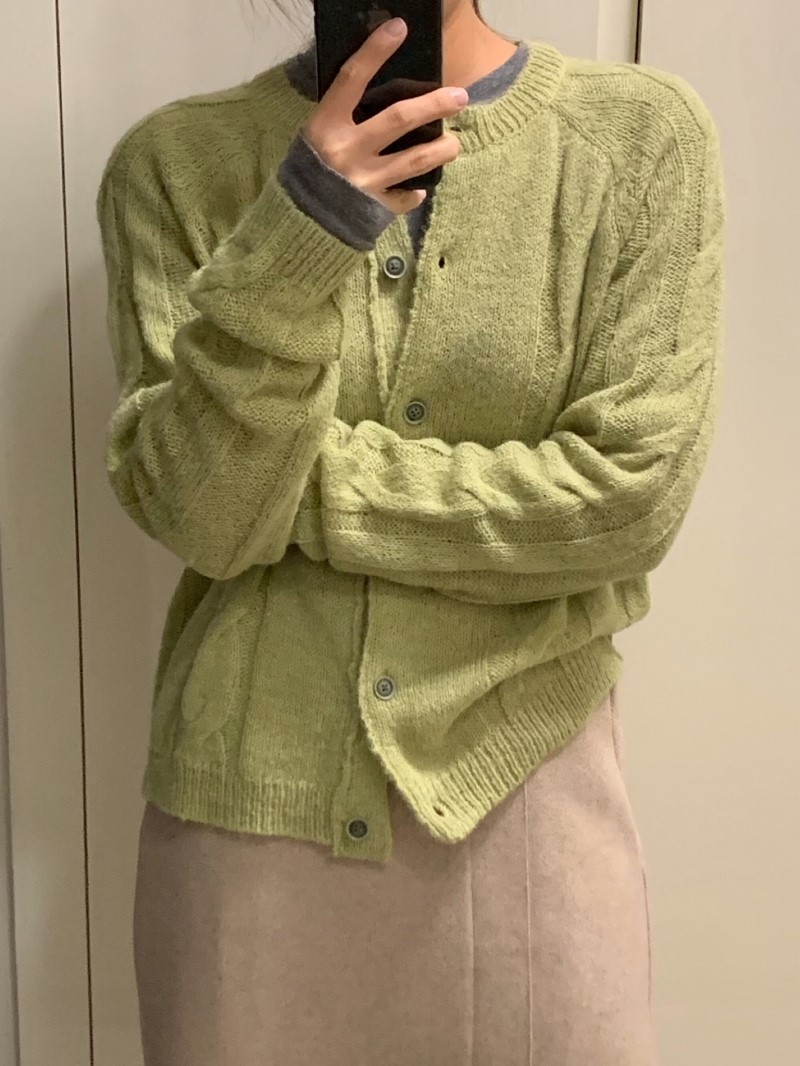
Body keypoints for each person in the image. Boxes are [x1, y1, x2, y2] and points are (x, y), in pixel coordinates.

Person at [95, 0, 726, 1063]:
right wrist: (299, 230)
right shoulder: (172, 166)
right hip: (252, 824)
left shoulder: (640, 138)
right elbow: (203, 511)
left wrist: (299, 489)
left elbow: (625, 500)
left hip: (526, 798)